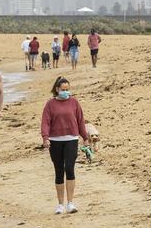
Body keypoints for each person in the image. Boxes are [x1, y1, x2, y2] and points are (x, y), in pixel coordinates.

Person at [41, 76, 90, 215]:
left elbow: (80, 121)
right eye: (63, 89)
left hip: (71, 139)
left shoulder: (74, 102)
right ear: (57, 89)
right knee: (58, 171)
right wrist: (45, 138)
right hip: (55, 140)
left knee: (69, 168)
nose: (66, 92)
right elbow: (45, 122)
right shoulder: (50, 104)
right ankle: (60, 204)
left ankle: (70, 203)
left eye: (67, 89)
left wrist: (85, 137)